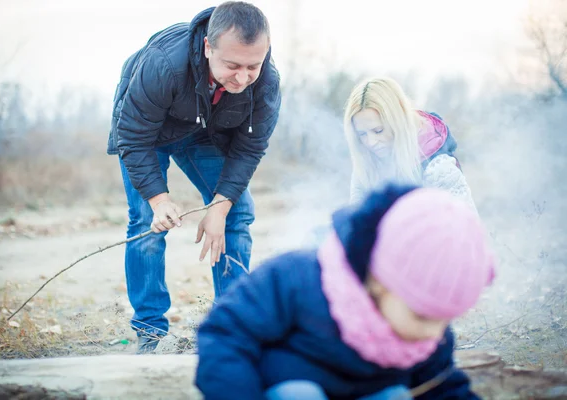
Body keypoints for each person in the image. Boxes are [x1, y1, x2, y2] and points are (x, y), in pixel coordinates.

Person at [196, 184, 495, 400]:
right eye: (422, 316)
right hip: (291, 387)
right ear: (381, 282)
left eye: (446, 319)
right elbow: (227, 334)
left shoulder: (427, 329)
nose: (434, 333)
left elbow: (440, 387)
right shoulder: (298, 279)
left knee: (393, 395)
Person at [107, 1, 281, 353]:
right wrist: (159, 199)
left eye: (253, 66)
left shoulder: (267, 83)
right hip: (148, 135)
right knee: (145, 219)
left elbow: (249, 149)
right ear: (207, 47)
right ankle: (149, 331)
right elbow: (133, 137)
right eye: (232, 66)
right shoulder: (164, 64)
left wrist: (218, 207)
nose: (243, 77)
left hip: (203, 131)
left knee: (235, 213)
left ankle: (231, 325)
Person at [344, 77, 475, 208]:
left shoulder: (438, 169)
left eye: (378, 130)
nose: (371, 142)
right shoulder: (365, 166)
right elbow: (356, 222)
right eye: (362, 134)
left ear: (398, 122)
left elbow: (465, 225)